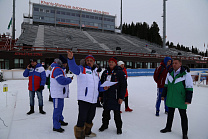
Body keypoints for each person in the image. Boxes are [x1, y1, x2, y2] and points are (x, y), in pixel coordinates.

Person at [67, 51, 107, 139]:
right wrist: (71, 59)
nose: (89, 62)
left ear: (94, 62)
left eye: (91, 60)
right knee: (82, 118)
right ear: (85, 61)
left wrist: (103, 88)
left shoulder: (96, 73)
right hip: (84, 99)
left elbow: (98, 86)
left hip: (93, 100)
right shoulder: (82, 69)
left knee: (90, 117)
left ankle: (87, 132)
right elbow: (73, 68)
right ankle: (79, 136)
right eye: (87, 60)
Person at [160, 58, 193, 139]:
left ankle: (185, 133)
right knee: (170, 114)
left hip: (181, 98)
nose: (174, 64)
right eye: (173, 63)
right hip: (171, 97)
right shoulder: (169, 73)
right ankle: (168, 128)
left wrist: (188, 99)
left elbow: (189, 87)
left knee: (183, 116)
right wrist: (163, 95)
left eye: (176, 63)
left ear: (180, 64)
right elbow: (166, 85)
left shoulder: (186, 74)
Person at [99, 57, 127, 134]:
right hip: (106, 97)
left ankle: (119, 128)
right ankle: (104, 125)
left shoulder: (120, 72)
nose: (111, 63)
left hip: (115, 97)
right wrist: (100, 95)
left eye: (112, 62)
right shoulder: (105, 72)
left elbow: (123, 86)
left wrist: (121, 97)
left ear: (115, 63)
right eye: (110, 62)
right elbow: (101, 84)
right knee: (105, 113)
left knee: (117, 114)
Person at [50, 56, 72, 133]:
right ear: (63, 63)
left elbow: (62, 79)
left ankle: (60, 120)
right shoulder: (57, 69)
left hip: (60, 93)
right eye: (66, 63)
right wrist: (69, 80)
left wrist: (67, 79)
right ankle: (56, 126)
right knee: (57, 110)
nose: (66, 65)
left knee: (60, 108)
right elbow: (61, 81)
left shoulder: (60, 69)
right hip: (57, 94)